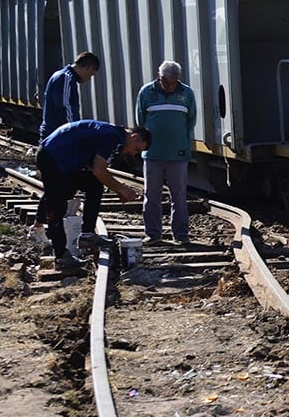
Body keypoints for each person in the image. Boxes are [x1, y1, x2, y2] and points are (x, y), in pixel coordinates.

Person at [34, 120, 151, 270]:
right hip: (52, 158)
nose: (133, 154)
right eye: (136, 149)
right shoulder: (112, 137)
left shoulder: (114, 135)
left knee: (93, 185)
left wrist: (117, 189)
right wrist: (121, 189)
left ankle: (87, 235)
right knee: (57, 205)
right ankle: (61, 256)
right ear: (134, 136)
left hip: (62, 160)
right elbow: (99, 170)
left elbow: (96, 170)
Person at [136, 60, 197, 244]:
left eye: (174, 82)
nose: (170, 86)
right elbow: (141, 119)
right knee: (151, 195)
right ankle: (153, 234)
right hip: (153, 153)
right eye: (166, 82)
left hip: (177, 153)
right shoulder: (146, 92)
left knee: (178, 196)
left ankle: (181, 234)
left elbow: (190, 120)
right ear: (159, 76)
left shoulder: (186, 93)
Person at [39, 51, 100, 139]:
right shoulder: (66, 78)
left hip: (53, 132)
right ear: (88, 68)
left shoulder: (61, 75)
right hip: (57, 134)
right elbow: (65, 109)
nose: (89, 79)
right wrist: (75, 132)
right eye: (91, 75)